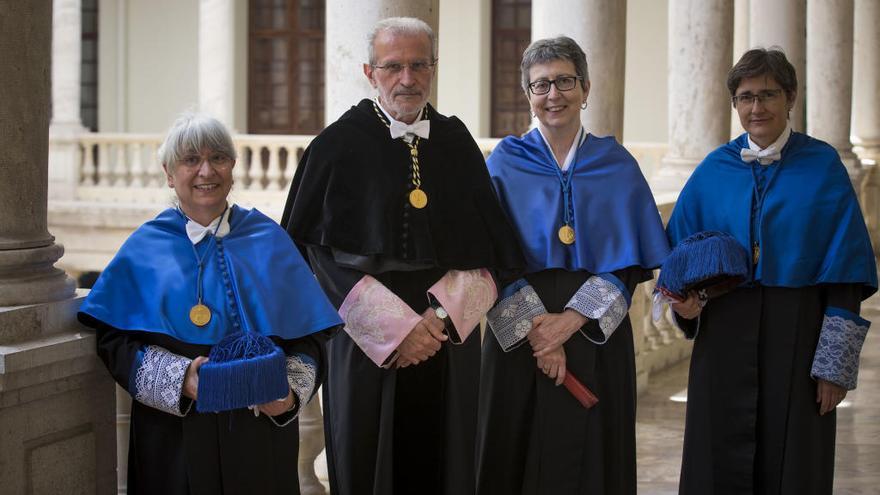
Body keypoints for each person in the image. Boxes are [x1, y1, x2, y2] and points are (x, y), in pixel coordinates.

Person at [281, 16, 524, 495]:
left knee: (447, 464)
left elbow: (494, 252)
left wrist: (437, 319)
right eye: (393, 67)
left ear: (433, 68)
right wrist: (397, 329)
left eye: (418, 65)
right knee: (369, 464)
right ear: (370, 73)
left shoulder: (457, 143)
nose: (407, 79)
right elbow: (310, 254)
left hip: (446, 340)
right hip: (366, 345)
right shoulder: (335, 146)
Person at [78, 113, 342, 495]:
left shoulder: (270, 239)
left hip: (259, 436)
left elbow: (312, 341)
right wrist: (180, 379)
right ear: (169, 173)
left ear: (232, 168)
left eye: (218, 158)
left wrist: (287, 396)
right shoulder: (145, 247)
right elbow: (114, 343)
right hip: (172, 438)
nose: (207, 170)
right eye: (190, 160)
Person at [667, 48, 877, 494]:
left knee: (794, 460)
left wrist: (834, 368)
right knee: (715, 457)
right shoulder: (712, 170)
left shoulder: (823, 167)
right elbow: (678, 261)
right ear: (735, 105)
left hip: (798, 333)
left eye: (768, 95)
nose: (757, 108)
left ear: (791, 98)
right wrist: (686, 306)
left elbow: (846, 275)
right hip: (723, 334)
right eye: (746, 97)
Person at [476, 36, 670, 495]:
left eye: (564, 81)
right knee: (513, 448)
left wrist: (569, 323)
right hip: (519, 336)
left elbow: (629, 264)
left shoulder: (616, 164)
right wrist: (539, 333)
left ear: (586, 89)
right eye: (540, 85)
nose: (553, 95)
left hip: (595, 333)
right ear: (527, 96)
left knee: (596, 456)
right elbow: (487, 259)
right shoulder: (504, 163)